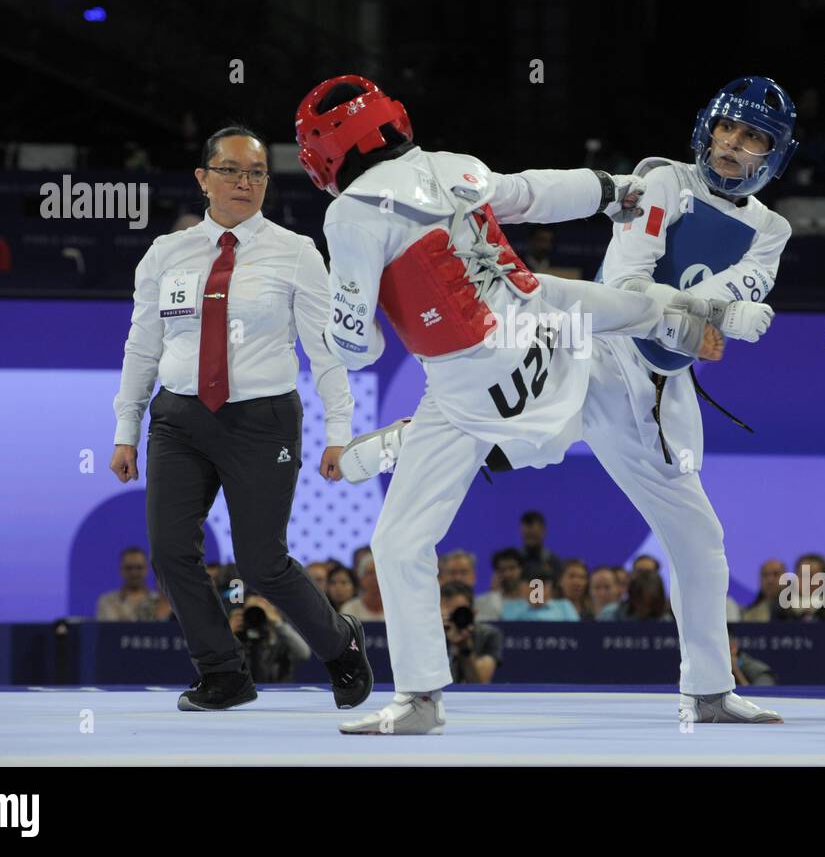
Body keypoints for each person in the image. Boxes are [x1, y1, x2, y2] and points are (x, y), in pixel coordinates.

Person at [296, 75, 715, 734]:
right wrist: (613, 190)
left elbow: (356, 348)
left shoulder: (349, 212)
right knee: (591, 300)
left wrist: (341, 316)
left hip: (476, 386)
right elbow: (531, 191)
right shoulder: (454, 166)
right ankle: (671, 312)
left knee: (401, 540)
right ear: (394, 121)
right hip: (546, 333)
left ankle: (421, 699)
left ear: (325, 153)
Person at [108, 124, 371, 713]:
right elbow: (141, 348)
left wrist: (339, 433)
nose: (244, 182)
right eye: (230, 170)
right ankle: (223, 673)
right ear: (203, 179)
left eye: (255, 172)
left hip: (263, 421)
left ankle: (340, 644)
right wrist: (126, 431)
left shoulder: (295, 252)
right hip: (178, 419)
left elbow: (325, 349)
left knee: (261, 562)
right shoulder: (165, 254)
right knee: (171, 549)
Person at [577, 76, 795, 724]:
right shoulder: (660, 181)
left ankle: (707, 690)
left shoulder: (770, 229)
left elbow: (698, 311)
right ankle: (359, 453)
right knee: (472, 440)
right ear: (707, 129)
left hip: (658, 391)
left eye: (752, 136)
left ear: (772, 154)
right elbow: (623, 287)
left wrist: (708, 317)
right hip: (586, 358)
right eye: (727, 128)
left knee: (700, 539)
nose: (732, 144)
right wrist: (719, 315)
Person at [440, 582, 502, 684]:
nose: (453, 619)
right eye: (448, 615)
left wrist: (464, 646)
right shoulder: (428, 635)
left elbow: (480, 682)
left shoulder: (488, 634)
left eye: (458, 613)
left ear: (473, 612)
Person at [96, 547, 166, 621]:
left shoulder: (159, 602)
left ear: (147, 569)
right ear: (121, 569)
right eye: (129, 568)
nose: (134, 573)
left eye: (139, 568)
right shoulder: (107, 602)